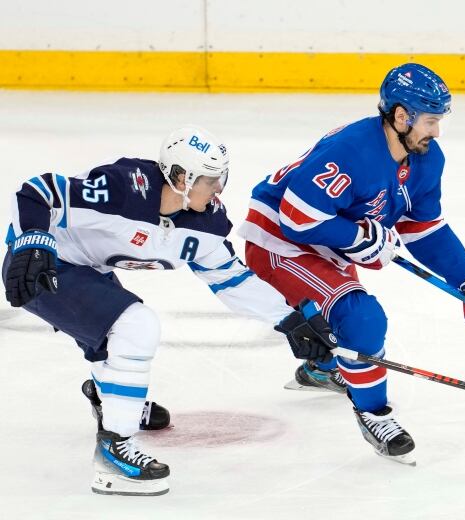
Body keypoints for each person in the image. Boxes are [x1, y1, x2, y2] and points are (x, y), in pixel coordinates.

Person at [2, 126, 336, 496]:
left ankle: (108, 398)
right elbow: (37, 191)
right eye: (210, 180)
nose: (218, 190)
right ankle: (114, 449)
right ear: (180, 177)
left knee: (115, 335)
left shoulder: (204, 224)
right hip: (42, 269)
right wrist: (33, 243)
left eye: (221, 178)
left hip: (88, 270)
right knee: (135, 327)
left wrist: (290, 321)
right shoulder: (122, 188)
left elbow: (232, 279)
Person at [238, 63, 465, 465]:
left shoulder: (426, 158)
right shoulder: (353, 151)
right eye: (430, 121)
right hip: (280, 242)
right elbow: (296, 218)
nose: (436, 132)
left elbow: (422, 227)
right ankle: (373, 412)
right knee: (363, 320)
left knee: (346, 317)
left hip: (327, 239)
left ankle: (322, 366)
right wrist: (358, 239)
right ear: (402, 116)